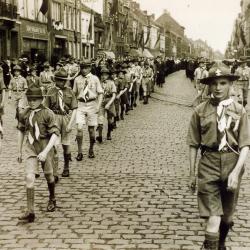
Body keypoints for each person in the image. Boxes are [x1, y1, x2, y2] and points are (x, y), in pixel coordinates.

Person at [187, 63, 250, 250]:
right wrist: (191, 173)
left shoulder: (240, 111)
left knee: (227, 217)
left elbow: (245, 145)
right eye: (214, 83)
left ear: (230, 85)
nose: (218, 88)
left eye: (223, 83)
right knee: (213, 217)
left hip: (232, 162)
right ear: (209, 85)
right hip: (208, 163)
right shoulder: (200, 111)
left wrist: (236, 172)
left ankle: (219, 243)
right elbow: (193, 143)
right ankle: (212, 245)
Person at [17, 87, 59, 223]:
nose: (32, 102)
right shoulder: (25, 113)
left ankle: (52, 197)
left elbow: (55, 134)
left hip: (45, 145)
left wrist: (45, 151)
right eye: (30, 99)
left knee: (49, 175)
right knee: (29, 177)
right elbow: (21, 131)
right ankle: (30, 211)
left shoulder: (48, 113)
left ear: (41, 99)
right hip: (30, 147)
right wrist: (19, 151)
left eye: (35, 99)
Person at [44, 68, 78, 179]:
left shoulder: (70, 91)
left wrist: (70, 124)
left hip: (66, 118)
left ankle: (66, 167)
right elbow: (46, 108)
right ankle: (54, 172)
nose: (62, 82)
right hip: (54, 118)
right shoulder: (51, 91)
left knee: (66, 145)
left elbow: (75, 109)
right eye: (59, 80)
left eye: (64, 80)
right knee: (54, 146)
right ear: (55, 80)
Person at [73, 59, 104, 160]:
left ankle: (91, 149)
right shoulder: (77, 79)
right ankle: (79, 151)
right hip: (81, 104)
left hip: (92, 104)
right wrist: (73, 106)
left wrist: (98, 106)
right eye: (82, 68)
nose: (84, 70)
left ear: (90, 68)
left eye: (86, 68)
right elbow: (74, 94)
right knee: (79, 128)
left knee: (91, 130)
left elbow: (100, 93)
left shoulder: (95, 79)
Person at [96, 67, 116, 142]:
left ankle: (109, 133)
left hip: (109, 100)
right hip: (101, 101)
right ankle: (100, 136)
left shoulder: (111, 83)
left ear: (108, 75)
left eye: (105, 75)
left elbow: (114, 95)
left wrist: (109, 104)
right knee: (100, 119)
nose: (104, 76)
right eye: (102, 75)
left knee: (110, 120)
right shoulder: (98, 83)